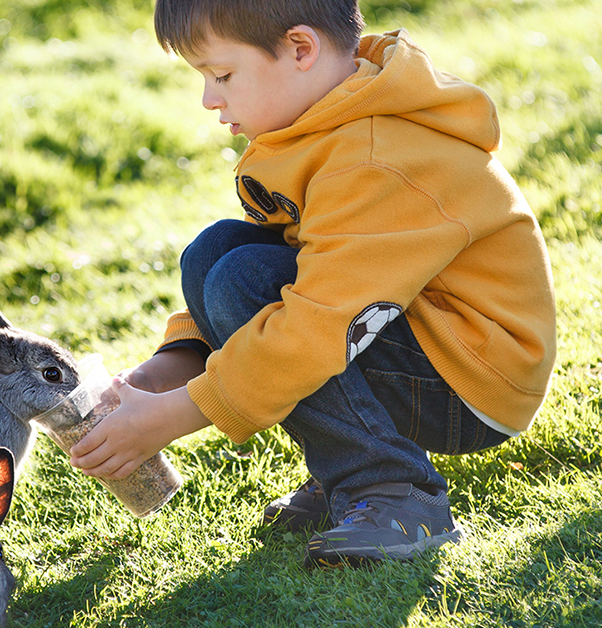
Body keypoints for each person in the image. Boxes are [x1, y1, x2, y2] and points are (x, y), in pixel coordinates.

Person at [69, 0, 556, 568]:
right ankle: (344, 476)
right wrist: (170, 368)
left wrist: (180, 413)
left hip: (471, 377)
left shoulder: (374, 156)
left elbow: (317, 321)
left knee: (243, 279)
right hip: (411, 334)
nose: (209, 99)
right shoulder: (321, 119)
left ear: (301, 49)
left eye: (222, 75)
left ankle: (395, 492)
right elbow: (291, 256)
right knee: (217, 253)